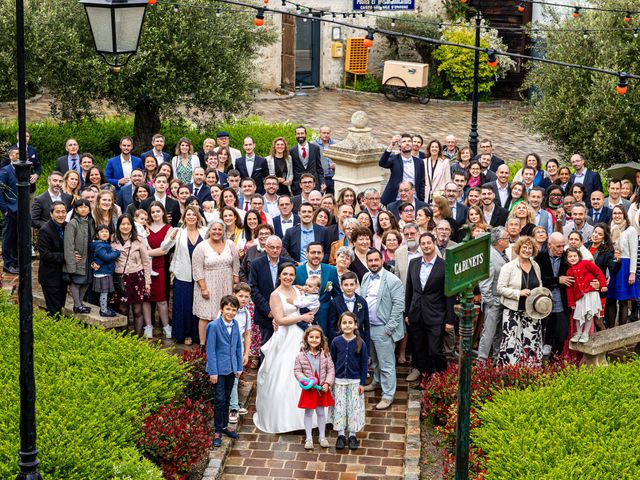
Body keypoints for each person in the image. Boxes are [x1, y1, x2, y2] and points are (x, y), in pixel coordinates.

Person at [253, 263, 317, 433]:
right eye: (285, 274)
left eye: (291, 274)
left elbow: (309, 296)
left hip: (300, 336)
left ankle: (308, 417)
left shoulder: (297, 290)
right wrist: (301, 317)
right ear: (279, 275)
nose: (288, 277)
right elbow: (280, 319)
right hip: (285, 336)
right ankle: (284, 419)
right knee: (283, 373)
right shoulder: (275, 295)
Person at [405, 232, 456, 379]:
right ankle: (424, 379)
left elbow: (449, 295)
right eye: (423, 243)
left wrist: (450, 320)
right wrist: (407, 313)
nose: (426, 246)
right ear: (420, 246)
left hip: (436, 315)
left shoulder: (444, 265)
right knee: (419, 349)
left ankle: (439, 376)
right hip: (416, 313)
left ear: (434, 244)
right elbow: (409, 289)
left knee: (434, 350)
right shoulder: (414, 263)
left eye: (429, 243)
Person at [361, 248, 405, 410]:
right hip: (369, 327)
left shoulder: (393, 280)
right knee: (375, 360)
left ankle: (388, 396)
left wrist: (389, 328)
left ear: (382, 261)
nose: (373, 263)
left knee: (386, 364)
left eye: (375, 260)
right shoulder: (366, 277)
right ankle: (377, 382)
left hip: (383, 328)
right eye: (370, 261)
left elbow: (399, 305)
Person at [161, 206, 209, 345]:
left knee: (199, 306)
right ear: (184, 217)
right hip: (182, 275)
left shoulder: (205, 232)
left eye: (194, 215)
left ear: (198, 217)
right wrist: (171, 238)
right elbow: (164, 248)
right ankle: (184, 334)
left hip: (202, 275)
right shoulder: (178, 232)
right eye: (188, 214)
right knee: (184, 305)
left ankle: (197, 335)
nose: (191, 217)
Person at [192, 219, 240, 348]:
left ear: (223, 231)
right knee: (206, 316)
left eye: (220, 229)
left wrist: (235, 286)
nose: (217, 232)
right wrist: (203, 288)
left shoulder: (230, 245)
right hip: (207, 284)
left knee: (225, 314)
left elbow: (236, 266)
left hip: (226, 284)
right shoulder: (201, 247)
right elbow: (197, 268)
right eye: (214, 229)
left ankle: (222, 344)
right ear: (209, 230)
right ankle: (203, 344)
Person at [496, 236, 543, 365]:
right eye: (524, 247)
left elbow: (539, 285)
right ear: (519, 248)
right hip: (513, 312)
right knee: (511, 344)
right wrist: (518, 293)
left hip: (531, 312)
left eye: (530, 248)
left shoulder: (536, 265)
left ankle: (531, 371)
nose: (527, 250)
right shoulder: (508, 267)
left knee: (532, 342)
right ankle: (511, 373)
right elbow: (500, 288)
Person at [206, 295, 243, 448]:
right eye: (228, 309)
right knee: (219, 399)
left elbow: (238, 347)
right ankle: (217, 429)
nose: (230, 312)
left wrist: (239, 367)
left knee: (227, 397)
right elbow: (210, 350)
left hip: (231, 368)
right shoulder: (213, 326)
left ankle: (225, 425)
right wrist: (213, 372)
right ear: (221, 309)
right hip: (218, 370)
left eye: (233, 310)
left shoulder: (235, 325)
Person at [330, 311, 368, 451]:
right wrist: (331, 379)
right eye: (344, 323)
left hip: (355, 382)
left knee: (353, 408)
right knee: (340, 408)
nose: (347, 325)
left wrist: (362, 383)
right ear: (340, 325)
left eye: (350, 323)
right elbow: (332, 362)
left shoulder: (360, 343)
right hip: (339, 381)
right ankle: (340, 435)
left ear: (355, 325)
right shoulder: (336, 342)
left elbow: (364, 364)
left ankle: (352, 435)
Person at [293, 326, 335, 450]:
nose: (314, 340)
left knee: (321, 412)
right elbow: (297, 371)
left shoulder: (326, 354)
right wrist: (305, 381)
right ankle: (309, 438)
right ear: (306, 338)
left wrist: (327, 383)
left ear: (321, 339)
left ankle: (322, 437)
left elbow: (331, 370)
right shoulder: (301, 355)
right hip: (309, 389)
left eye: (317, 337)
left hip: (321, 388)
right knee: (309, 412)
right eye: (311, 337)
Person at [111, 215, 152, 335]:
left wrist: (147, 282)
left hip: (136, 278)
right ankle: (124, 338)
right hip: (120, 278)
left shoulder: (138, 239)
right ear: (118, 226)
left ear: (132, 226)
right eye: (122, 224)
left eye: (128, 224)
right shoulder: (113, 239)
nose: (125, 226)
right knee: (123, 309)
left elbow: (146, 262)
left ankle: (138, 337)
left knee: (137, 309)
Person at [249, 235, 289, 346]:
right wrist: (269, 311)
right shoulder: (256, 264)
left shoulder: (288, 263)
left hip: (284, 314)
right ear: (266, 248)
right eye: (272, 247)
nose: (275, 250)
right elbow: (253, 289)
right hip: (265, 315)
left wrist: (280, 311)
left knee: (283, 348)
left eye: (278, 247)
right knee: (266, 347)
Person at [478, 227, 510, 363]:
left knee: (499, 333)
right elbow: (484, 282)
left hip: (503, 300)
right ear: (499, 241)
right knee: (489, 333)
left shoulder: (503, 254)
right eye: (506, 238)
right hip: (493, 302)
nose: (509, 240)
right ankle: (482, 362)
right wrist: (491, 301)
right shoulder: (490, 256)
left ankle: (497, 360)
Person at [294, 242, 341, 333]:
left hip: (325, 319)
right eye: (313, 252)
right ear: (306, 254)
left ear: (323, 255)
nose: (316, 255)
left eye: (319, 253)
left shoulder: (331, 270)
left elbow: (337, 296)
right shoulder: (297, 271)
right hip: (302, 319)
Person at [565, 247, 607, 344]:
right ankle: (578, 333)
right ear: (567, 259)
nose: (573, 258)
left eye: (575, 256)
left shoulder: (586, 263)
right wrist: (571, 302)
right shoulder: (569, 271)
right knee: (578, 314)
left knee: (589, 314)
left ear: (579, 256)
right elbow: (569, 289)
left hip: (591, 294)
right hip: (579, 297)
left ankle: (585, 333)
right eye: (570, 257)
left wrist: (603, 284)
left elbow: (598, 272)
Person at [143, 202, 173, 339]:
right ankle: (148, 326)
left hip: (160, 266)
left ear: (163, 212)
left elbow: (164, 250)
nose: (155, 214)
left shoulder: (169, 229)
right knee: (146, 298)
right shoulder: (144, 227)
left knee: (161, 299)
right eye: (153, 212)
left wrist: (146, 252)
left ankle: (166, 326)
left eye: (158, 211)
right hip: (144, 266)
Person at [607, 205, 638, 327]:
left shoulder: (630, 230)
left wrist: (632, 273)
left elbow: (633, 253)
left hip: (624, 266)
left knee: (623, 300)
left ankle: (621, 330)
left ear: (624, 215)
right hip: (611, 266)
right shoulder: (609, 229)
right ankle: (611, 330)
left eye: (620, 213)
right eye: (614, 213)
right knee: (610, 299)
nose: (617, 215)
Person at [37, 201, 69, 315]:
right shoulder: (45, 230)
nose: (61, 214)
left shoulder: (66, 226)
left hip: (62, 276)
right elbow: (45, 255)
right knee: (54, 311)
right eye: (58, 212)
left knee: (61, 308)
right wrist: (68, 257)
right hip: (50, 277)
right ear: (51, 214)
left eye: (63, 212)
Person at [64, 199, 95, 313]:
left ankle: (80, 303)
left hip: (89, 257)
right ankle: (77, 305)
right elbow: (69, 244)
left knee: (86, 281)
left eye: (86, 207)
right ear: (76, 210)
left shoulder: (91, 221)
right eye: (80, 207)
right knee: (76, 281)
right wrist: (71, 260)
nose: (83, 209)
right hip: (78, 257)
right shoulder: (73, 223)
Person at [228, 282, 253, 424]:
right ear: (234, 295)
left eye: (246, 297)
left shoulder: (246, 312)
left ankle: (234, 403)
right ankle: (233, 407)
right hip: (227, 348)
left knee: (237, 375)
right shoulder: (229, 310)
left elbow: (247, 334)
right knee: (233, 377)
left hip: (239, 348)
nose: (243, 299)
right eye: (240, 296)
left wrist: (246, 352)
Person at [379, 133, 426, 206]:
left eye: (409, 141)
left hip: (414, 198)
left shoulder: (419, 162)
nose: (407, 143)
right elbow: (382, 163)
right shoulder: (394, 159)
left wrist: (421, 197)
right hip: (396, 198)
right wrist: (391, 144)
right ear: (399, 146)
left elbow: (422, 181)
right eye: (404, 142)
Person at [327, 271, 370, 347]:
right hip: (341, 342)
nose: (349, 288)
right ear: (341, 286)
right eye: (346, 285)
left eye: (352, 284)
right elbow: (331, 326)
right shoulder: (335, 302)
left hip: (358, 341)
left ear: (356, 285)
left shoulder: (362, 302)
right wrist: (333, 345)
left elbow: (366, 327)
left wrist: (367, 349)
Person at [90, 225, 120, 317]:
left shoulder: (104, 244)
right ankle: (103, 310)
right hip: (103, 273)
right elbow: (106, 257)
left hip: (105, 271)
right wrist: (116, 253)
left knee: (106, 292)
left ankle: (105, 308)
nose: (104, 233)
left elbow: (100, 258)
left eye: (106, 232)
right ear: (97, 235)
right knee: (104, 293)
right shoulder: (100, 245)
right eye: (102, 232)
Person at [0, 147, 19, 274]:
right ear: (11, 156)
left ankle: (16, 261)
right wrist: (5, 210)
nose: (19, 156)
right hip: (10, 210)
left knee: (17, 237)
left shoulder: (24, 169)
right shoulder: (5, 171)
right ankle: (7, 264)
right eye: (17, 154)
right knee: (8, 237)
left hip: (21, 210)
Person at [291, 126, 324, 194]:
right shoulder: (292, 151)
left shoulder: (315, 148)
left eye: (302, 133)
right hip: (298, 186)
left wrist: (322, 182)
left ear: (305, 134)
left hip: (314, 184)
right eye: (298, 134)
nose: (300, 135)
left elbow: (319, 168)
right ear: (295, 135)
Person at [315, 125, 337, 194]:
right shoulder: (314, 145)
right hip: (321, 177)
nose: (326, 135)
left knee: (332, 197)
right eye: (324, 133)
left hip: (333, 176)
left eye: (328, 133)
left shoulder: (334, 145)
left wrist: (336, 165)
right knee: (319, 195)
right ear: (319, 133)